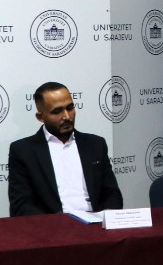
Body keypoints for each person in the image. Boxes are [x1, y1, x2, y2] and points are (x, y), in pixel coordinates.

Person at [8, 81, 123, 216]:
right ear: (40, 117)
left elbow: (112, 194)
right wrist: (57, 224)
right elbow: (21, 205)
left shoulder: (96, 144)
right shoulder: (23, 151)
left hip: (97, 223)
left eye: (70, 108)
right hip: (53, 226)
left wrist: (105, 218)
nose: (67, 117)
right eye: (57, 111)